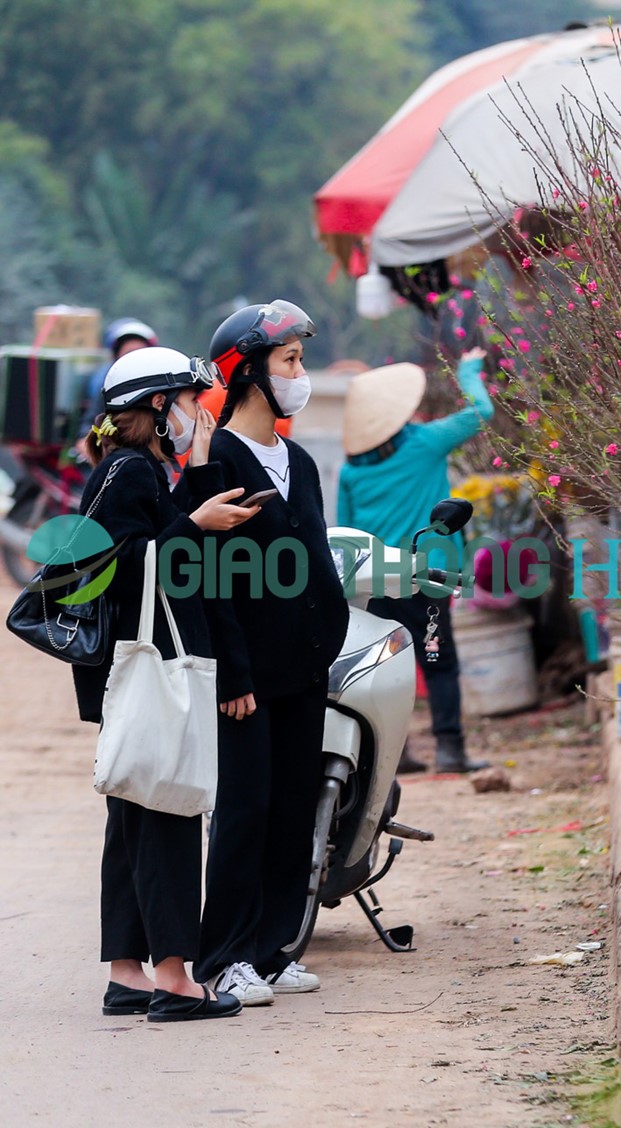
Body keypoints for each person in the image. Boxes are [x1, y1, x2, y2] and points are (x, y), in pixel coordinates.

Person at [75, 345, 258, 1021]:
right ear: (157, 408)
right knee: (168, 815)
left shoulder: (140, 469)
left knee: (133, 813)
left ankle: (127, 972)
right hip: (147, 669)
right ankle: (176, 977)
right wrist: (196, 524)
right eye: (186, 402)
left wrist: (197, 488)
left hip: (136, 671)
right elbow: (110, 567)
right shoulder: (128, 473)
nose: (194, 414)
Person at [193, 300, 349, 1006]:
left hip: (304, 669)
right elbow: (211, 582)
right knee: (244, 812)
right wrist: (232, 669)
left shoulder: (301, 463)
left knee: (292, 807)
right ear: (250, 373)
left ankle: (275, 948)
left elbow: (315, 560)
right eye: (289, 361)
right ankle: (225, 955)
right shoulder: (219, 462)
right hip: (245, 680)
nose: (299, 373)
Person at [337, 348, 494, 774]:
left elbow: (346, 530)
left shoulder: (352, 472)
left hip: (375, 580)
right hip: (426, 577)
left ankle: (392, 754)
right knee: (438, 661)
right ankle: (450, 750)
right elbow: (483, 410)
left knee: (383, 664)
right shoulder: (425, 442)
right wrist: (469, 369)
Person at [77, 318, 159, 445]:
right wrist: (86, 441)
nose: (134, 358)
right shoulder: (108, 388)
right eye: (128, 353)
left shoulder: (161, 387)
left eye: (139, 352)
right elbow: (90, 422)